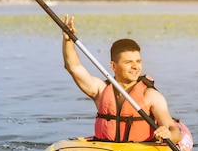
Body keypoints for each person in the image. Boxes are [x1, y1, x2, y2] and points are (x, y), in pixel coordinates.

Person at [62, 15, 181, 144]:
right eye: (128, 62)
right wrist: (68, 41)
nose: (135, 67)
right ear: (113, 66)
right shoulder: (100, 90)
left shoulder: (151, 96)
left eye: (138, 61)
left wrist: (168, 134)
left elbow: (173, 130)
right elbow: (73, 67)